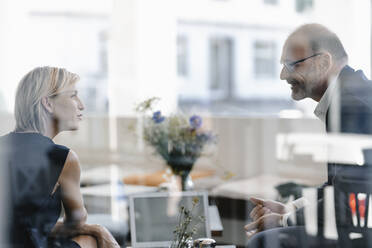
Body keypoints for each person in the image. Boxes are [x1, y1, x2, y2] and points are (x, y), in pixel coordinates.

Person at [245, 23, 372, 246]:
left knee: (264, 242)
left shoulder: (351, 104)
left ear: (323, 63)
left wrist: (284, 220)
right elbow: (340, 185)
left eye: (290, 65)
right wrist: (292, 208)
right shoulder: (350, 93)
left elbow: (349, 202)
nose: (283, 75)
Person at [0, 67, 120, 247]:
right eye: (73, 95)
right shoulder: (61, 158)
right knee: (90, 240)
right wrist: (97, 229)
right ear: (47, 103)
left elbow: (19, 224)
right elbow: (77, 221)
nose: (81, 105)